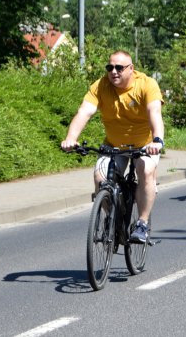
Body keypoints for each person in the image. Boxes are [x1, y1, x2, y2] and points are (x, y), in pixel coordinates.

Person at [61, 50, 164, 244]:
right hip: (114, 145)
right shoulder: (101, 86)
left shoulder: (146, 84)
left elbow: (154, 112)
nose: (113, 72)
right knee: (100, 178)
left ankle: (142, 223)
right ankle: (112, 218)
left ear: (131, 69)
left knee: (145, 169)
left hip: (144, 145)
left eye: (119, 68)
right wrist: (71, 138)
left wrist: (157, 140)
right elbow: (84, 112)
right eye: (110, 67)